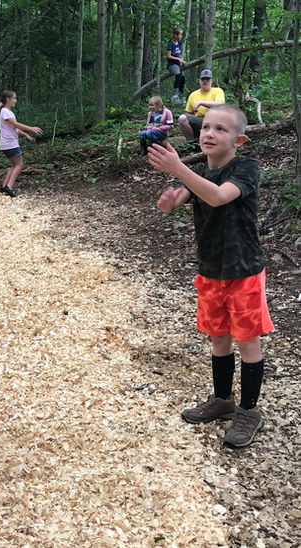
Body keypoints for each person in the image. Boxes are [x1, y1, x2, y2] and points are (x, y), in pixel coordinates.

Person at [147, 104, 273, 449]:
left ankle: (249, 411)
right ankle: (222, 400)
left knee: (247, 342)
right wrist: (170, 200)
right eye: (205, 127)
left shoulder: (246, 168)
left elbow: (218, 197)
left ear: (239, 140)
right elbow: (181, 198)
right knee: (218, 338)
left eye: (220, 129)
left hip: (243, 270)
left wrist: (178, 169)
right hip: (211, 269)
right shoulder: (200, 169)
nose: (209, 134)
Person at [0, 90, 43, 197]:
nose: (15, 100)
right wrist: (31, 128)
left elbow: (14, 128)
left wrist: (26, 135)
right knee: (19, 164)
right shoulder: (5, 111)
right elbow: (16, 124)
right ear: (7, 99)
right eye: (14, 98)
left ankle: (4, 187)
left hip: (7, 143)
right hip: (9, 143)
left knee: (14, 165)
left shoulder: (6, 112)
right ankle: (9, 187)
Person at [178, 69, 225, 151]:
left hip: (215, 121)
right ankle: (192, 144)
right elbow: (189, 113)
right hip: (200, 121)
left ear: (211, 81)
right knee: (182, 119)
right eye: (203, 79)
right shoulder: (193, 95)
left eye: (207, 79)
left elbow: (220, 104)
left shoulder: (217, 91)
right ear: (199, 81)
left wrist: (201, 102)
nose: (205, 81)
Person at [166, 28, 186, 104]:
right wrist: (178, 59)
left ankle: (181, 95)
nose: (181, 36)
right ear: (175, 35)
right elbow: (169, 56)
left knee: (183, 78)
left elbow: (178, 54)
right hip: (172, 64)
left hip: (178, 64)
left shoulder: (179, 43)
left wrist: (182, 60)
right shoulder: (170, 44)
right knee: (178, 75)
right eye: (180, 34)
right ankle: (174, 95)